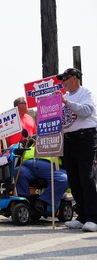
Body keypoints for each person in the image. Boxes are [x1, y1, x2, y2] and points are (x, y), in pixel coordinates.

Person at [56, 68, 97, 232]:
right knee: (73, 179)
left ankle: (93, 217)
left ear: (74, 78)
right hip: (69, 140)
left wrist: (66, 102)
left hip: (85, 138)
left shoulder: (85, 92)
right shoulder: (64, 97)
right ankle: (82, 216)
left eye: (65, 79)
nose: (63, 83)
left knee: (86, 177)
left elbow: (86, 112)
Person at [14, 144, 69, 213]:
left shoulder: (57, 139)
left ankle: (43, 201)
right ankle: (24, 200)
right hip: (28, 165)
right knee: (18, 171)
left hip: (51, 167)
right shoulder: (32, 140)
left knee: (64, 179)